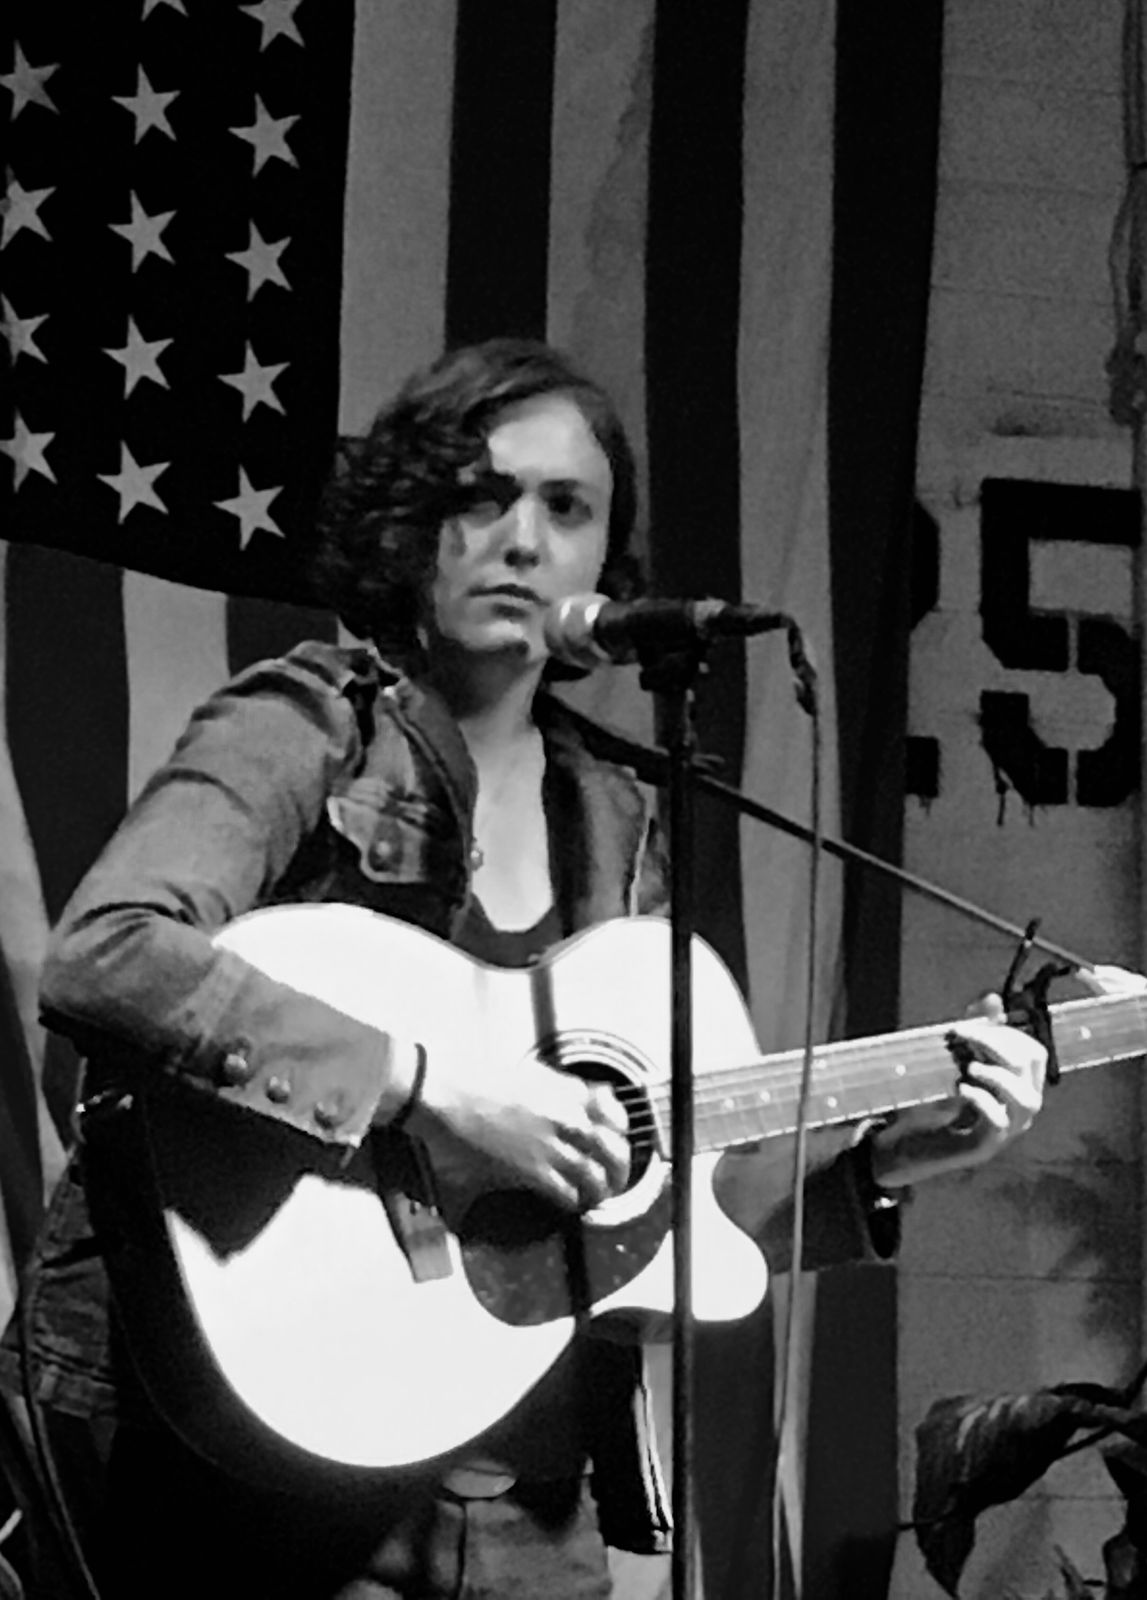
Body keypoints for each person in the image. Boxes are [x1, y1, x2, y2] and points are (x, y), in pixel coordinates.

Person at [0, 339, 1046, 1599]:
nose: (522, 540)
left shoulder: (617, 817)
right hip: (260, 1467)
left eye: (566, 507)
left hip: (526, 1491)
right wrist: (436, 1091)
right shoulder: (312, 723)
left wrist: (891, 1157)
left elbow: (657, 1197)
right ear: (410, 526)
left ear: (606, 559)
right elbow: (109, 951)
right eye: (480, 496)